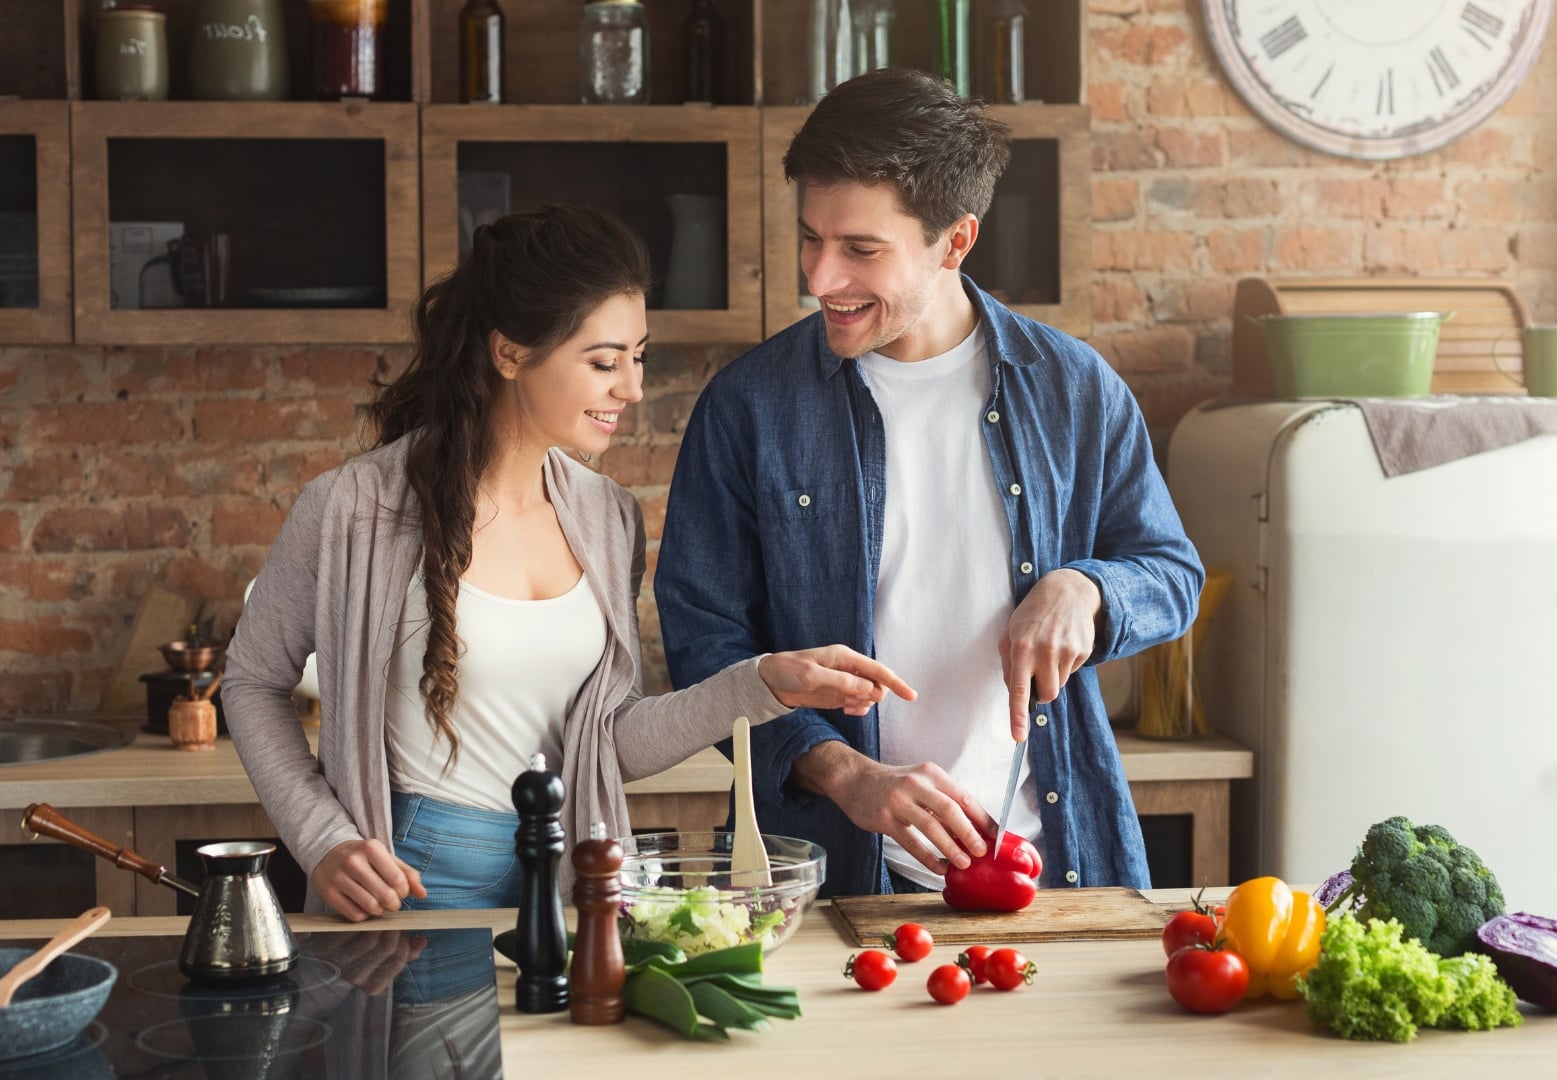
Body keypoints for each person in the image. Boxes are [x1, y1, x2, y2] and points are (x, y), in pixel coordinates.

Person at [223, 205, 914, 922]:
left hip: (572, 883)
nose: (633, 388)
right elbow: (251, 682)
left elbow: (607, 742)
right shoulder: (353, 509)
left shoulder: (607, 517)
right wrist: (322, 838)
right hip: (413, 882)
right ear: (511, 353)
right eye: (604, 361)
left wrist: (763, 683)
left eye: (637, 357)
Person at [654, 70, 1204, 898]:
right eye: (811, 238)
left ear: (955, 241)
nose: (820, 277)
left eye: (861, 250)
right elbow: (705, 644)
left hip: (1051, 866)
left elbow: (1171, 573)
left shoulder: (1075, 390)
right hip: (831, 879)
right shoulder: (749, 408)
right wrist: (843, 772)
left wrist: (1086, 589)